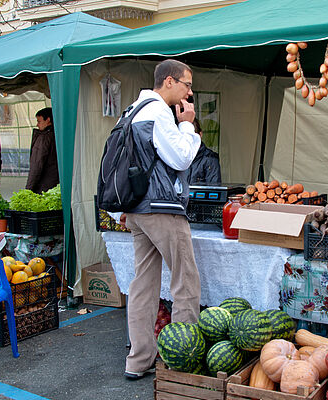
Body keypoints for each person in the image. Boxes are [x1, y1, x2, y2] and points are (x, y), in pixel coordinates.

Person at [122, 59, 201, 380]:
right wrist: (188, 125)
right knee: (185, 281)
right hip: (162, 206)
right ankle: (183, 362)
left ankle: (138, 360)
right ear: (169, 82)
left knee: (143, 283)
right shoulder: (157, 112)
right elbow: (181, 156)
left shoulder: (130, 110)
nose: (189, 92)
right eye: (187, 84)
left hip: (136, 208)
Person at [26, 107, 59, 193]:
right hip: (56, 184)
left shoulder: (44, 138)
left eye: (39, 121)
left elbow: (36, 165)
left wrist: (28, 189)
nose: (37, 124)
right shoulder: (59, 135)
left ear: (48, 120)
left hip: (43, 186)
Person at [186, 119, 221, 184]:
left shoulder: (210, 159)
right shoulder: (176, 157)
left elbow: (213, 190)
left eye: (192, 137)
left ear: (200, 134)